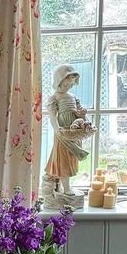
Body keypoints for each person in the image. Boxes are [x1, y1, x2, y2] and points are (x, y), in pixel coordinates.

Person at [45, 64, 89, 196]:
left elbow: (80, 116)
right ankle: (66, 187)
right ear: (59, 80)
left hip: (74, 132)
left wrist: (82, 115)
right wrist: (57, 129)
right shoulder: (54, 98)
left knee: (71, 158)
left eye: (71, 83)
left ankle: (64, 185)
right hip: (63, 132)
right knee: (63, 159)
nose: (69, 85)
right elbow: (52, 116)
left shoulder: (74, 97)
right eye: (66, 82)